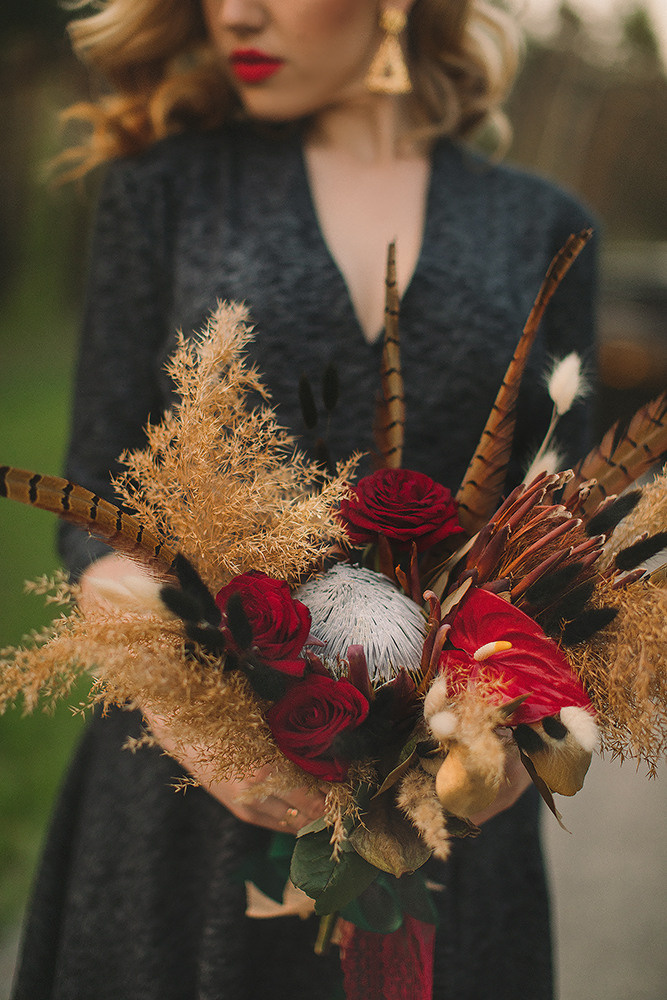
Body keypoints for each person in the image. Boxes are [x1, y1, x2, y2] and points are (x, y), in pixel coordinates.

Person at [12, 1, 597, 997]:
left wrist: (504, 736)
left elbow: (562, 531)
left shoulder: (544, 223)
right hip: (185, 802)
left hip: (451, 811)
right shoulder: (161, 194)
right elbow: (90, 505)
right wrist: (206, 719)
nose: (234, 9)